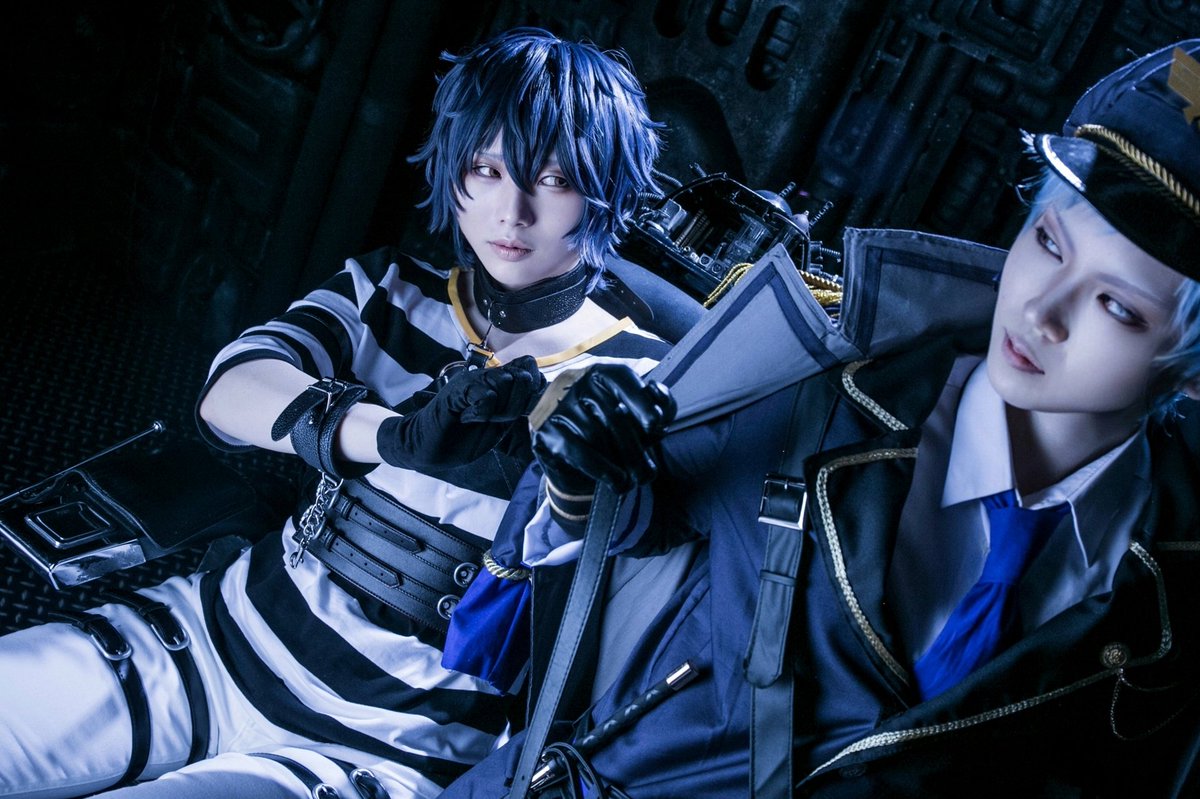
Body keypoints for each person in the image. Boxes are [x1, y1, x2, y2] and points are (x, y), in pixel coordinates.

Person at [438, 39, 1200, 797]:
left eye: (1117, 306)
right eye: (1048, 242)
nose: (1041, 310)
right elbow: (627, 517)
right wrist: (577, 473)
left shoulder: (1174, 594)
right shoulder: (815, 385)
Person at [0, 27, 678, 799]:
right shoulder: (389, 288)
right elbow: (229, 393)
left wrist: (576, 480)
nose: (511, 212)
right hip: (205, 639)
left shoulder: (643, 378)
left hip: (378, 748)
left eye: (552, 180)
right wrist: (392, 437)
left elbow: (629, 589)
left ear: (607, 187)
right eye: (486, 170)